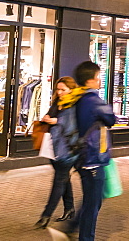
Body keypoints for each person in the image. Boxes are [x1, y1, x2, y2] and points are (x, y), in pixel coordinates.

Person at [52, 61, 117, 241]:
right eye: (97, 77)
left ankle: (68, 229)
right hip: (93, 159)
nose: (99, 80)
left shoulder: (75, 98)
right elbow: (111, 119)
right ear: (90, 80)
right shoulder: (93, 100)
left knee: (91, 200)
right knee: (92, 205)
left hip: (79, 157)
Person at [34, 76, 78, 229]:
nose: (59, 92)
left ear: (71, 90)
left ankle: (46, 215)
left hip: (67, 150)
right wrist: (47, 118)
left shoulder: (74, 105)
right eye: (58, 89)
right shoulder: (57, 102)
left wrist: (57, 121)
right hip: (53, 146)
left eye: (63, 90)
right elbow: (50, 116)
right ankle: (69, 208)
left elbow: (73, 126)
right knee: (64, 178)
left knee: (58, 181)